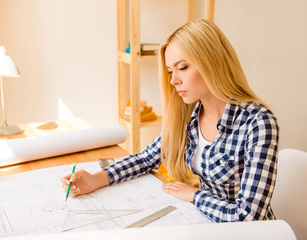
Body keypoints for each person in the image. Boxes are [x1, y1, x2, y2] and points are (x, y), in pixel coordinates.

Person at [60, 19, 279, 222]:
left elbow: (248, 216)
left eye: (182, 67)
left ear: (212, 62)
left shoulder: (258, 122)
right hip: (205, 223)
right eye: (170, 71)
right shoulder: (189, 115)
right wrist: (97, 179)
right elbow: (146, 159)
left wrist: (194, 195)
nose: (174, 80)